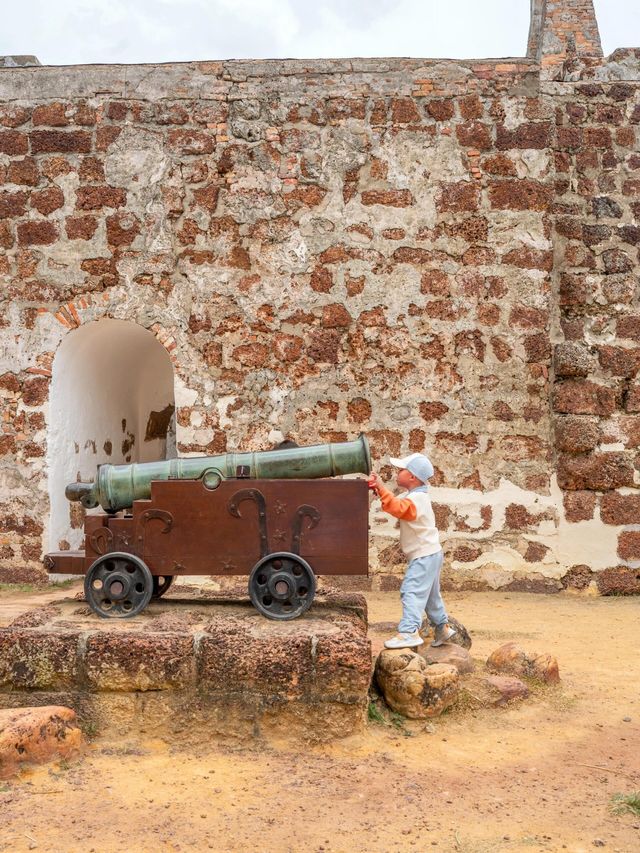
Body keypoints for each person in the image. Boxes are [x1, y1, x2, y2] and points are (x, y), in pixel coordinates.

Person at [367, 452, 456, 650]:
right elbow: (395, 504)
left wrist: (381, 487)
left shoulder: (417, 499)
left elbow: (398, 508)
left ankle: (408, 632)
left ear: (412, 477)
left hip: (424, 555)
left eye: (401, 470)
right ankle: (442, 627)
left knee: (411, 592)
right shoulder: (416, 496)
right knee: (431, 596)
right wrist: (380, 492)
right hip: (431, 552)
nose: (397, 473)